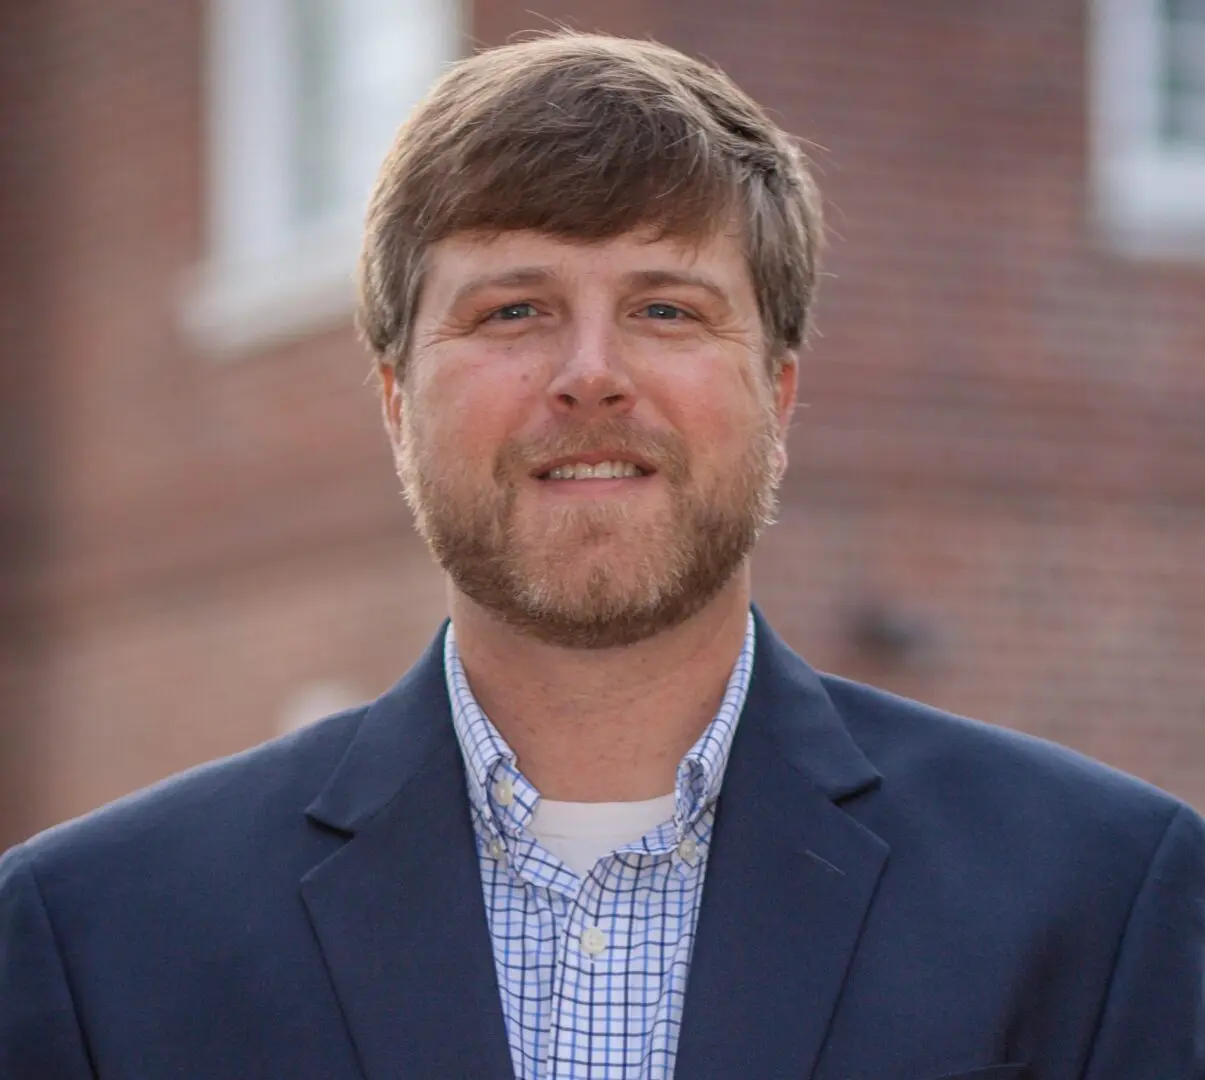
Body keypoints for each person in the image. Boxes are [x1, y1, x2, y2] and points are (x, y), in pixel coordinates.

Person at [1, 31, 1202, 1080]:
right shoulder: (91, 939)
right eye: (512, 309)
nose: (590, 373)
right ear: (392, 398)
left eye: (665, 308)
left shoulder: (1097, 898)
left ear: (777, 394)